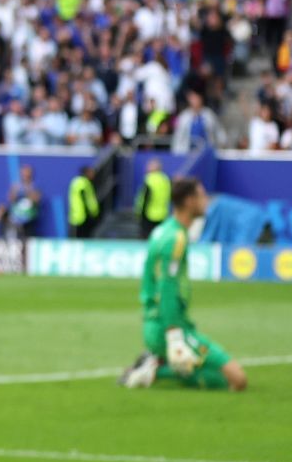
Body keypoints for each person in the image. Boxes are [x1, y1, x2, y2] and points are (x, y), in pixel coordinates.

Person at [120, 177, 247, 392]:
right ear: (189, 201)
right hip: (169, 327)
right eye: (202, 196)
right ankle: (154, 370)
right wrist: (174, 335)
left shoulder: (162, 231)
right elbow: (167, 288)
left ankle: (157, 364)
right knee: (237, 380)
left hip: (153, 323)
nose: (206, 201)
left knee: (211, 374)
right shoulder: (176, 238)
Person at [0, 165, 43, 239]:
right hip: (15, 213)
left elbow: (36, 200)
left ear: (30, 174)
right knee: (1, 208)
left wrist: (26, 190)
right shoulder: (17, 187)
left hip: (27, 215)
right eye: (23, 173)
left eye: (27, 173)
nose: (25, 175)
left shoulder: (35, 187)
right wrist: (15, 191)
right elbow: (10, 200)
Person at [135, 158, 170, 239]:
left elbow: (145, 199)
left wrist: (140, 214)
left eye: (149, 166)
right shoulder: (166, 180)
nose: (146, 168)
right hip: (163, 215)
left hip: (149, 215)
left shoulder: (149, 180)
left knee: (146, 240)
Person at [69, 167, 101, 239]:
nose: (93, 174)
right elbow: (85, 199)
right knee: (81, 240)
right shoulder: (82, 183)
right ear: (86, 173)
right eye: (91, 172)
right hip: (82, 217)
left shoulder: (79, 182)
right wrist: (90, 212)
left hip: (78, 216)